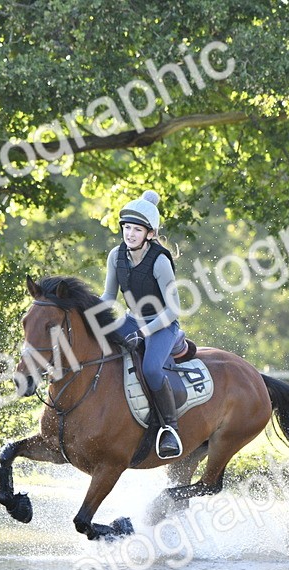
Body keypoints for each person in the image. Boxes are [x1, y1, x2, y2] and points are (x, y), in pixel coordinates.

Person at [100, 190, 186, 459]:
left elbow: (174, 310)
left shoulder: (160, 261)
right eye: (126, 228)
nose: (130, 234)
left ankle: (169, 430)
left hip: (162, 326)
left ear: (150, 233)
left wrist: (142, 332)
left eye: (137, 229)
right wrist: (82, 308)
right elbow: (107, 298)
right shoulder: (116, 256)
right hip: (131, 320)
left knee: (150, 369)